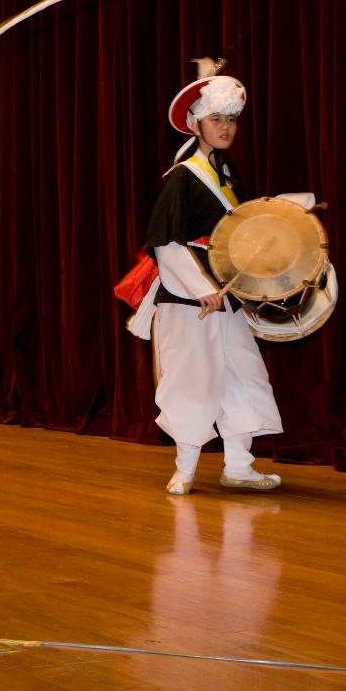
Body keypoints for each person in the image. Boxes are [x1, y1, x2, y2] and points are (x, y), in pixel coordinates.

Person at [144, 58, 287, 495]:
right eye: (216, 120)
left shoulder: (228, 175)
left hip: (229, 296)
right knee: (193, 379)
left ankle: (239, 465)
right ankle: (185, 470)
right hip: (191, 301)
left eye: (230, 120)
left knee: (244, 374)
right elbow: (166, 243)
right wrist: (203, 290)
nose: (225, 128)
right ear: (196, 125)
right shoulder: (182, 179)